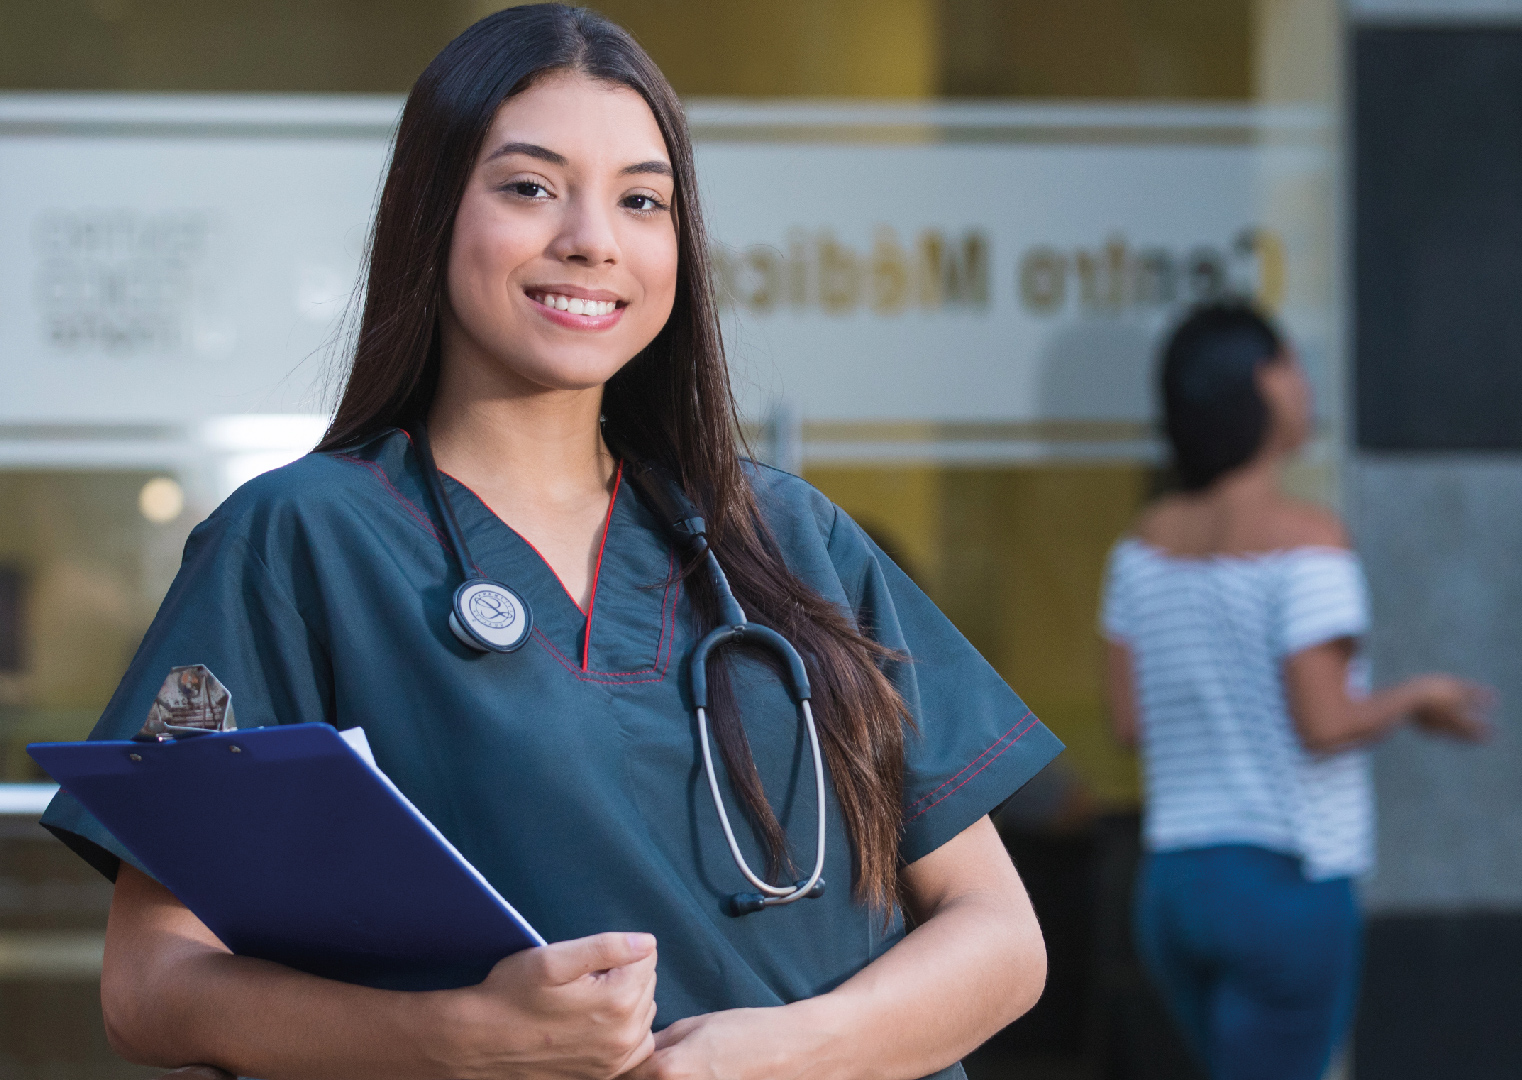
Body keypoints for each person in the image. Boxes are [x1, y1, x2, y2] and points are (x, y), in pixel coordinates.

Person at [38, 7, 1062, 1078]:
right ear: (432, 215)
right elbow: (150, 986)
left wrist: (785, 1054)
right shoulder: (302, 543)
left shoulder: (788, 537)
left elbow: (1001, 938)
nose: (592, 237)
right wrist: (452, 1040)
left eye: (642, 199)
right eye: (529, 187)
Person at [1100, 305, 1492, 1080]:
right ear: (1261, 387)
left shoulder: (1141, 545)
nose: (1306, 384)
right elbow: (1326, 722)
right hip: (1285, 878)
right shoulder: (1309, 539)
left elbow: (1129, 721)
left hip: (1174, 882)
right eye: (1293, 364)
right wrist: (1419, 697)